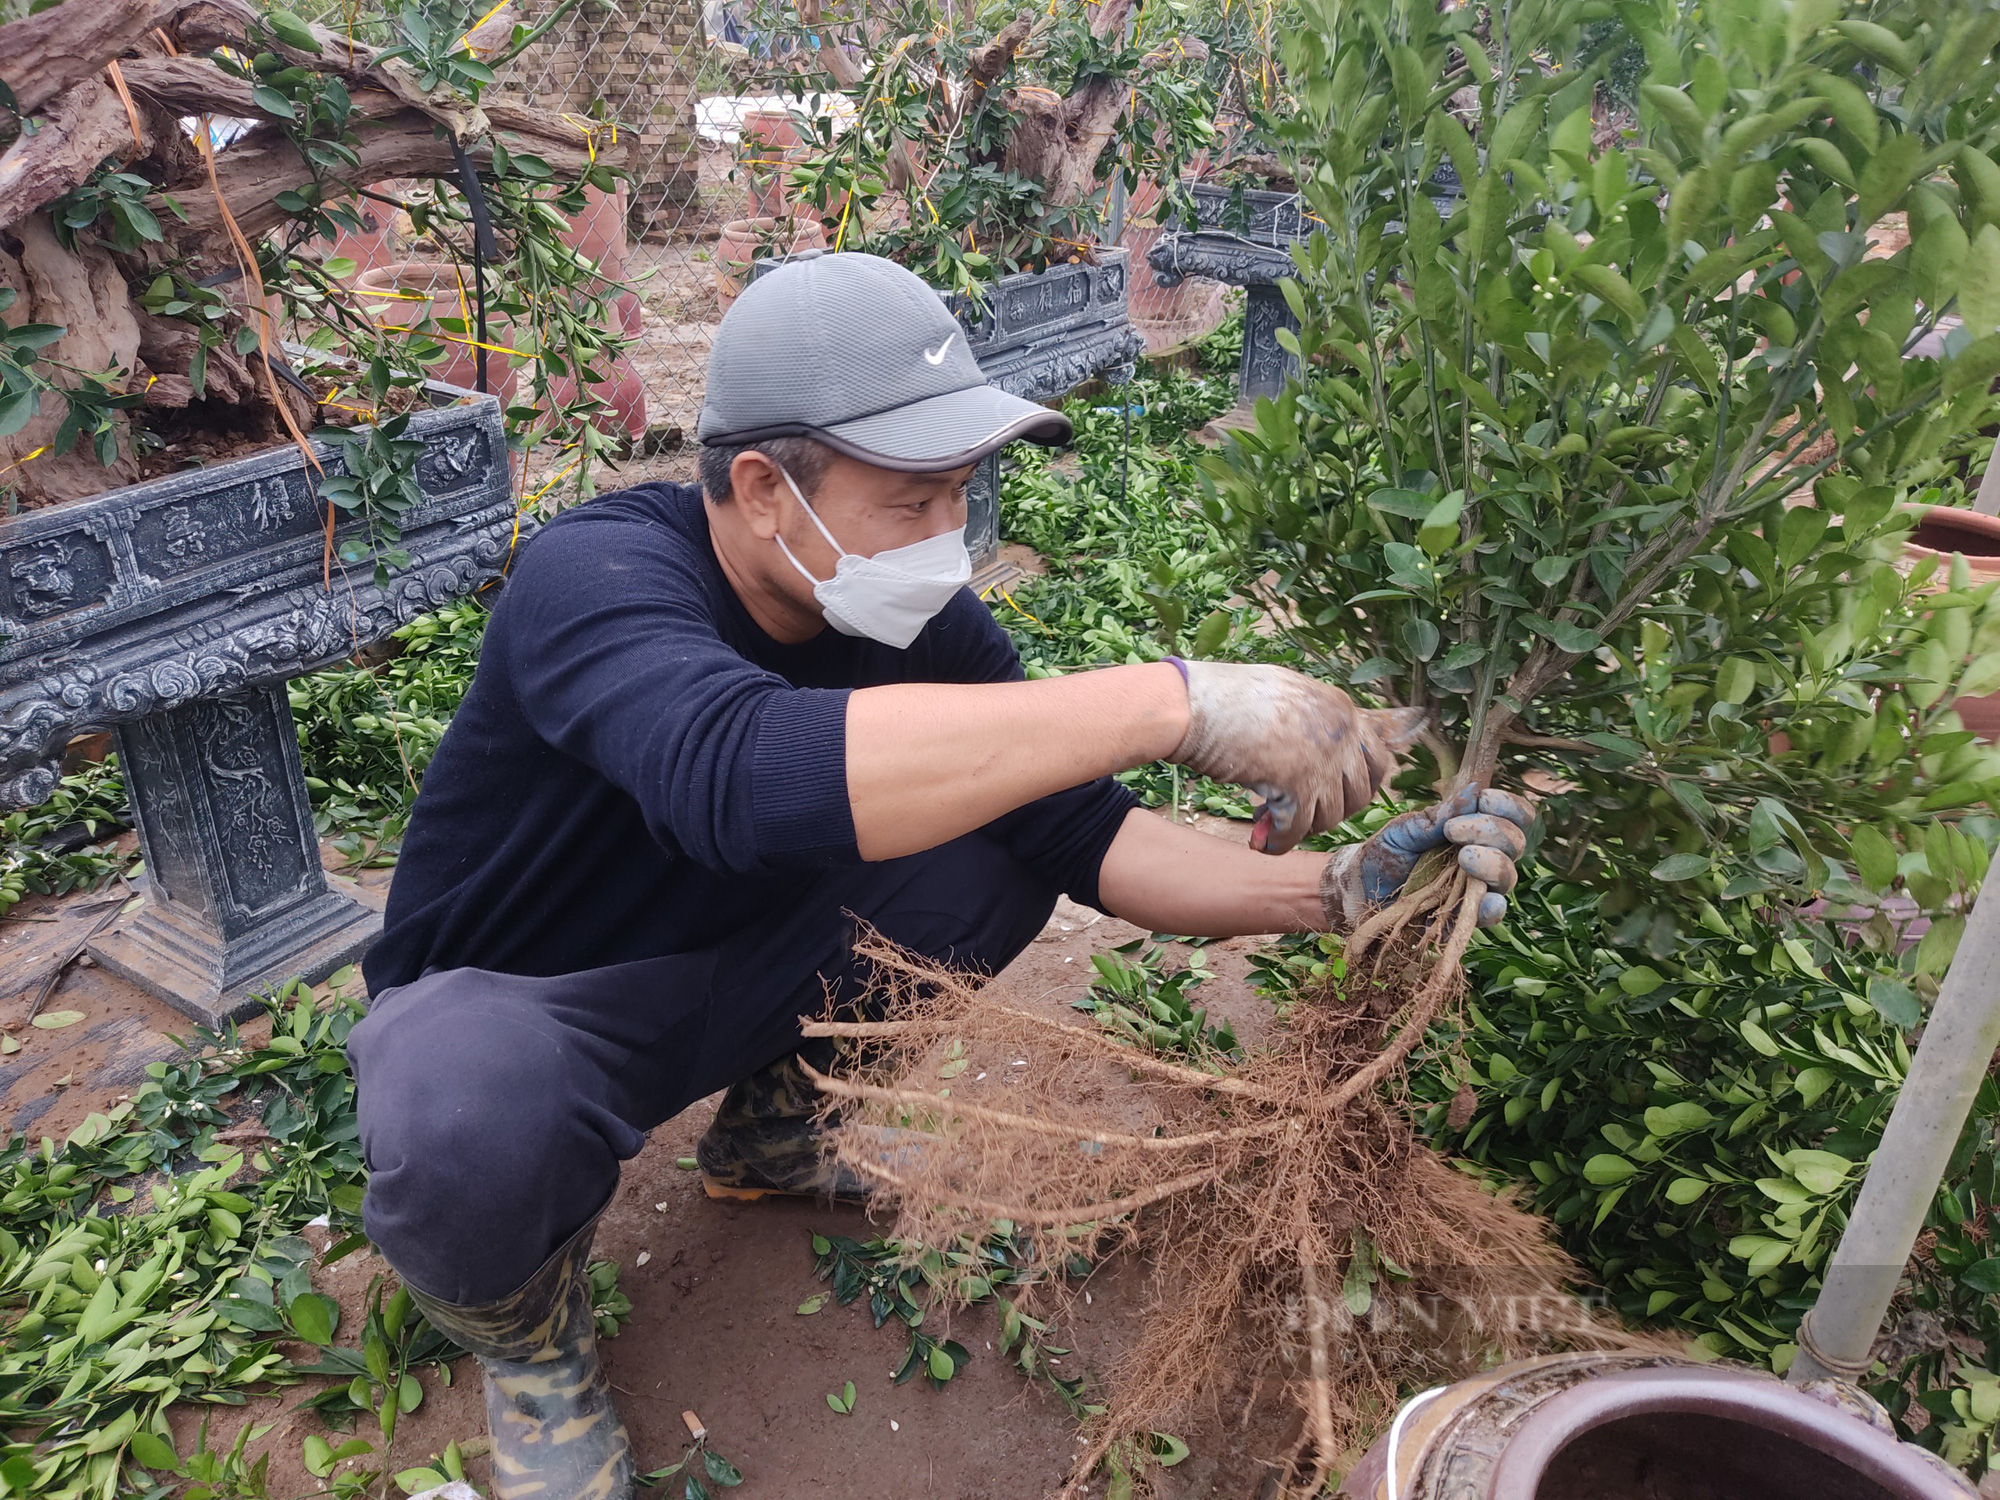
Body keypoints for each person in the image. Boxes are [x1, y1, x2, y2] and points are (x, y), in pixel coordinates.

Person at [347, 251, 1534, 1500]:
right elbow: (732, 773)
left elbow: (1086, 839)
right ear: (761, 488)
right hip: (529, 1013)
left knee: (994, 847)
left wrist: (1336, 895)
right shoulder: (594, 580)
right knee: (464, 1102)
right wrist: (1171, 701)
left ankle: (771, 1132)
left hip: (735, 972)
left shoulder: (905, 623)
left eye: (960, 498)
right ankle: (528, 1341)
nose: (945, 541)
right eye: (909, 504)